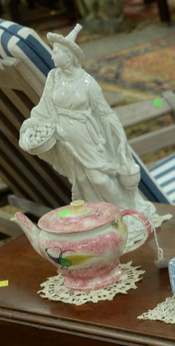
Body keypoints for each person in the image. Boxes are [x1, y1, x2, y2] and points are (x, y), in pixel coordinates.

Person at [19, 25, 160, 226]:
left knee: (100, 179)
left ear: (69, 56)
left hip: (87, 137)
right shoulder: (54, 77)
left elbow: (105, 113)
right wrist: (32, 127)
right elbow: (44, 106)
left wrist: (121, 140)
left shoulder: (88, 83)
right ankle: (103, 220)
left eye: (56, 52)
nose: (52, 56)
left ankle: (125, 213)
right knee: (82, 180)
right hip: (64, 138)